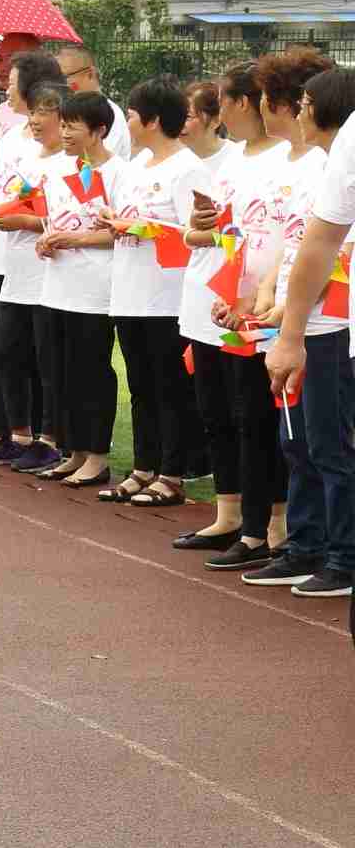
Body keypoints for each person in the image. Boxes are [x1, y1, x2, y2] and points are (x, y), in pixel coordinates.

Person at [244, 55, 350, 595]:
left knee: (332, 446)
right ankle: (304, 544)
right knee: (298, 442)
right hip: (298, 321)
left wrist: (292, 311)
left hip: (333, 325)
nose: (299, 113)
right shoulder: (317, 168)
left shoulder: (332, 167)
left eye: (306, 105)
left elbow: (337, 255)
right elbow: (295, 244)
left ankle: (342, 555)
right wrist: (271, 297)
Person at [194, 60, 301, 574]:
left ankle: (271, 529)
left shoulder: (289, 157)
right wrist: (206, 226)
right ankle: (252, 525)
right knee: (242, 417)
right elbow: (223, 228)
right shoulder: (233, 159)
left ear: (248, 102)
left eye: (224, 99)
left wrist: (264, 298)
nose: (220, 110)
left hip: (273, 310)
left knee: (267, 422)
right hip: (233, 304)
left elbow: (288, 239)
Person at [92, 79, 208, 506]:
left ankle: (172, 472)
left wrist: (141, 227)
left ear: (155, 120)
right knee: (140, 384)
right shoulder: (135, 165)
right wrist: (115, 219)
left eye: (133, 113)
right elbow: (127, 217)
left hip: (167, 296)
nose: (128, 120)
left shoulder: (188, 168)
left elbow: (194, 233)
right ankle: (144, 467)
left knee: (170, 387)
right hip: (130, 290)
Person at [168, 73, 261, 544]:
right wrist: (201, 228)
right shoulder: (193, 167)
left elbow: (248, 230)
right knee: (214, 414)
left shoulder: (244, 160)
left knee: (248, 415)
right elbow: (191, 234)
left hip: (243, 303)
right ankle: (228, 515)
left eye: (192, 112)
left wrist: (215, 230)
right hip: (202, 297)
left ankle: (263, 523)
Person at [0, 51, 65, 462]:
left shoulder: (65, 151)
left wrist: (25, 221)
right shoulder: (10, 140)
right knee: (4, 351)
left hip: (48, 268)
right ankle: (18, 435)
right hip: (7, 261)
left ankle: (49, 439)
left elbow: (65, 215)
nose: (6, 86)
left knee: (43, 357)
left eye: (13, 81)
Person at [26, 93, 122, 486]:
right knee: (58, 372)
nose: (63, 132)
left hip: (95, 289)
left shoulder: (119, 173)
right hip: (56, 287)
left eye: (72, 125)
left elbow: (119, 232)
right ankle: (73, 450)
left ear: (98, 130)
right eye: (62, 124)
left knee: (90, 372)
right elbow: (52, 222)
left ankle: (97, 455)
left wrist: (75, 239)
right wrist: (47, 241)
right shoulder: (59, 171)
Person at [55, 45, 134, 157]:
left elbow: (99, 161)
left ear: (90, 73)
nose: (64, 84)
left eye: (67, 76)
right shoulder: (67, 110)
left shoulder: (108, 113)